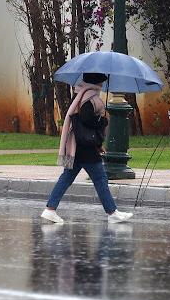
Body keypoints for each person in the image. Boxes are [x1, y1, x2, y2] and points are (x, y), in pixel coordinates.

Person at [41, 72, 133, 224]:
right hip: (86, 148)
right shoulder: (89, 97)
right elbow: (86, 118)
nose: (102, 85)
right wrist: (102, 122)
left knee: (67, 178)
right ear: (96, 83)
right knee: (100, 178)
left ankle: (50, 209)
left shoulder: (79, 93)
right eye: (101, 82)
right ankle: (112, 212)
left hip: (77, 145)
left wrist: (98, 143)